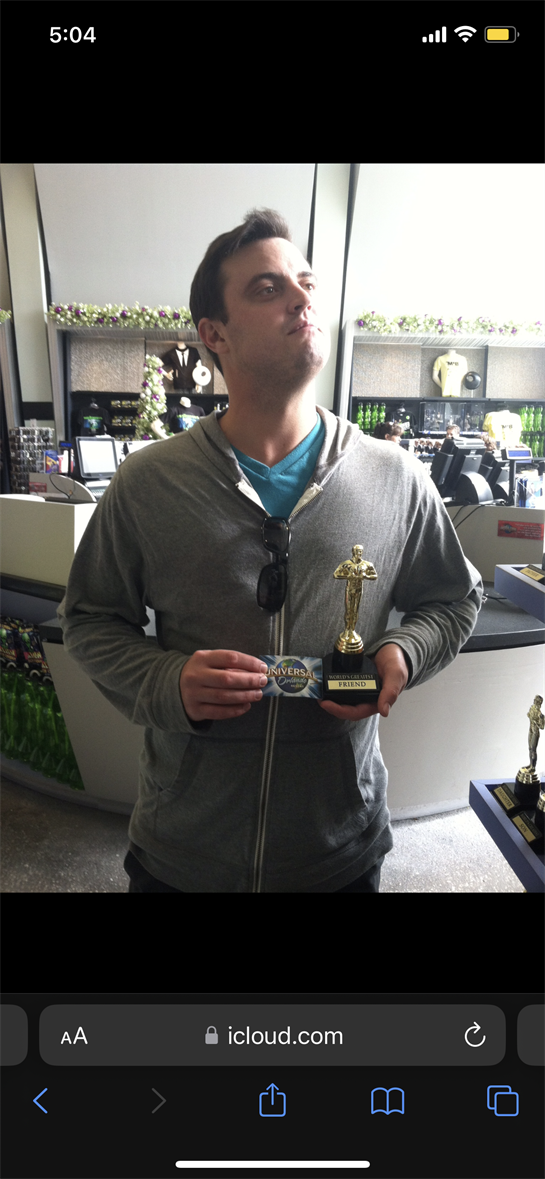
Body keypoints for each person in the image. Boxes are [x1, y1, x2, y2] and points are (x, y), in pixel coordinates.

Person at [58, 208, 483, 893]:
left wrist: (402, 652)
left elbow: (453, 598)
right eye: (266, 287)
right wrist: (167, 682)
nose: (301, 297)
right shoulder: (149, 483)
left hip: (337, 850)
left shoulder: (394, 476)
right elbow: (89, 619)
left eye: (306, 282)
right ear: (213, 335)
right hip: (183, 854)